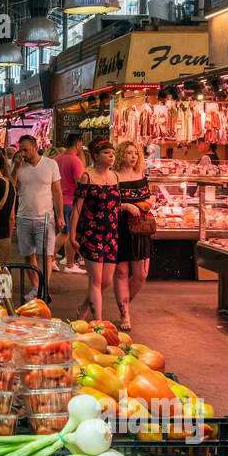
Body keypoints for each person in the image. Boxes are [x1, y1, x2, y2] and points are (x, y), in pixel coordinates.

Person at [69, 139, 120, 322]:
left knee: (106, 281)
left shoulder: (115, 177)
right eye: (107, 153)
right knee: (96, 281)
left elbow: (115, 206)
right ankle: (98, 322)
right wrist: (72, 235)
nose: (111, 156)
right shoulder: (87, 177)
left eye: (112, 153)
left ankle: (83, 308)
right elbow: (77, 208)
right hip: (90, 234)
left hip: (111, 234)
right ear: (96, 156)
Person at [13, 135, 64, 302]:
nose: (23, 153)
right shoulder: (19, 165)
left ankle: (44, 288)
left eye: (26, 150)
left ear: (35, 147)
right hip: (23, 217)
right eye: (21, 150)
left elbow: (57, 191)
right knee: (28, 256)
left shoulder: (50, 164)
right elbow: (11, 186)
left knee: (47, 256)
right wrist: (17, 166)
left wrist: (60, 215)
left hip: (45, 217)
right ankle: (36, 287)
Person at [112, 140, 154, 332]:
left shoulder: (141, 175)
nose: (133, 156)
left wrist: (148, 202)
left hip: (140, 227)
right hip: (119, 227)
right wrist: (126, 206)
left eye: (135, 153)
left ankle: (125, 301)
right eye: (129, 153)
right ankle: (125, 313)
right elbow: (107, 204)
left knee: (141, 274)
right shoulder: (113, 176)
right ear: (122, 155)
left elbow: (149, 197)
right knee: (121, 272)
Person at [54, 136, 86, 274]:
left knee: (65, 232)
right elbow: (80, 181)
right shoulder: (75, 160)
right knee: (67, 233)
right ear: (78, 144)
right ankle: (66, 263)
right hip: (70, 201)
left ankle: (64, 261)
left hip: (58, 200)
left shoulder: (57, 159)